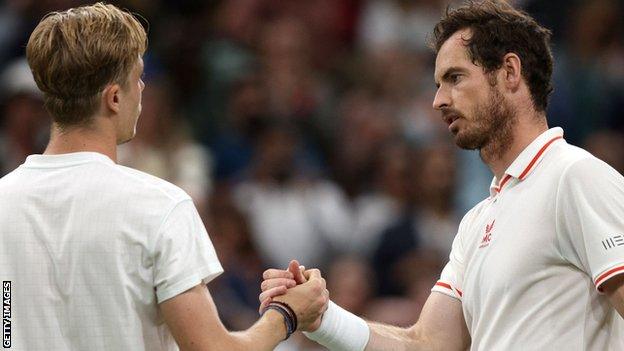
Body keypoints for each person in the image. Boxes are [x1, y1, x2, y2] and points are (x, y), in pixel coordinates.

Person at [260, 1, 624, 350]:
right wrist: (321, 317)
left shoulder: (574, 177)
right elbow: (426, 345)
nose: (438, 100)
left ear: (510, 72)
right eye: (437, 84)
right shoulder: (477, 222)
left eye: (455, 78)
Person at [0, 3, 328, 351]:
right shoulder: (160, 207)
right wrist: (287, 313)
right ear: (114, 98)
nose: (142, 89)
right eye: (138, 77)